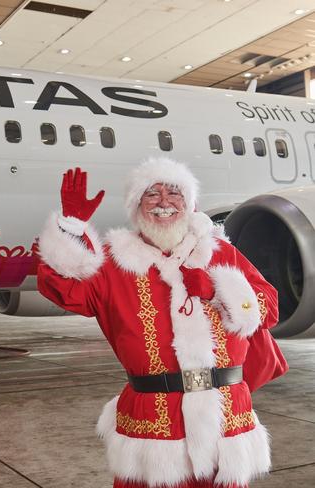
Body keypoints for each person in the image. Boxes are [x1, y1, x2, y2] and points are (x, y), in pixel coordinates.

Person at [37, 157, 288, 488]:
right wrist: (70, 228)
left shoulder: (219, 253)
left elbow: (267, 307)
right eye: (151, 194)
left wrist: (218, 290)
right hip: (153, 423)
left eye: (174, 193)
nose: (164, 202)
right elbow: (63, 289)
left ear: (190, 203)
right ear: (136, 206)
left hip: (224, 417)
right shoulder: (114, 263)